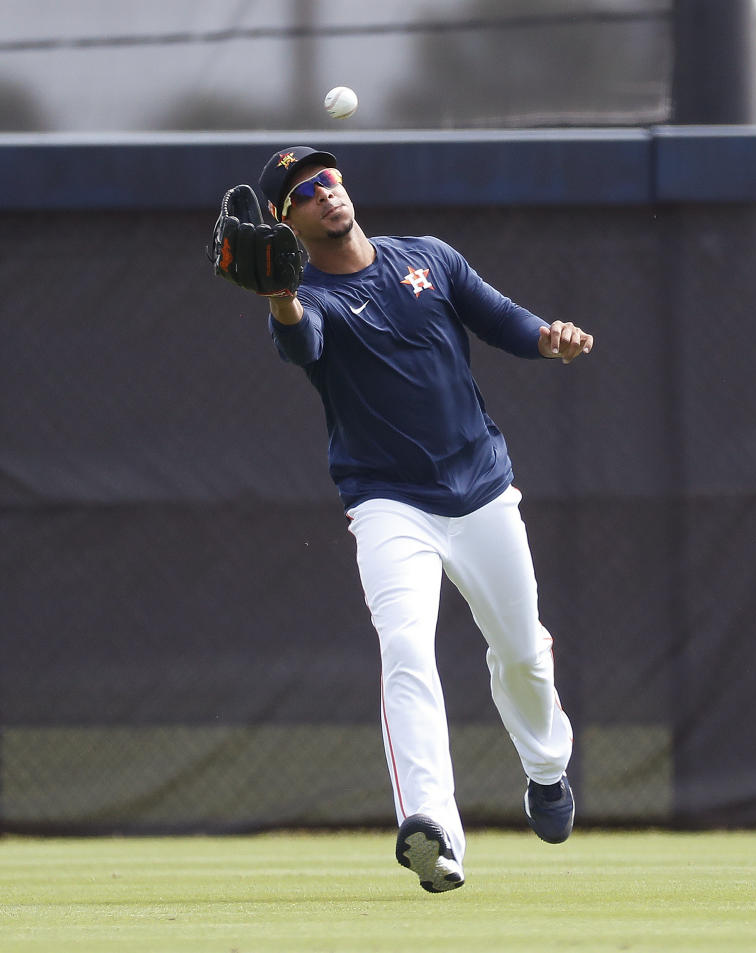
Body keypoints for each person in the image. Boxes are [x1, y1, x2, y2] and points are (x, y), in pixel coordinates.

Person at [251, 146, 592, 893]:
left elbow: (499, 319)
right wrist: (278, 295)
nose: (326, 194)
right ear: (286, 223)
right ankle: (433, 829)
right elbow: (299, 339)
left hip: (481, 490)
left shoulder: (427, 258)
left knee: (524, 655)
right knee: (406, 648)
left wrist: (548, 336)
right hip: (388, 504)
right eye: (305, 192)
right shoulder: (309, 295)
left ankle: (546, 765)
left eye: (329, 179)